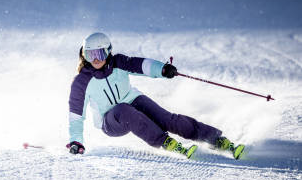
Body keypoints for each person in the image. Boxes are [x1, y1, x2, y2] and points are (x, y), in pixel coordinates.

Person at [66, 32, 244, 159]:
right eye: (90, 55)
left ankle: (215, 139)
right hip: (110, 121)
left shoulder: (118, 62)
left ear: (108, 52)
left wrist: (163, 69)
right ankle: (165, 142)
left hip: (132, 100)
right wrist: (76, 141)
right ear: (84, 55)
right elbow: (76, 116)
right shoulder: (81, 82)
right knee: (123, 110)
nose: (95, 59)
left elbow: (140, 65)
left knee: (167, 119)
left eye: (99, 53)